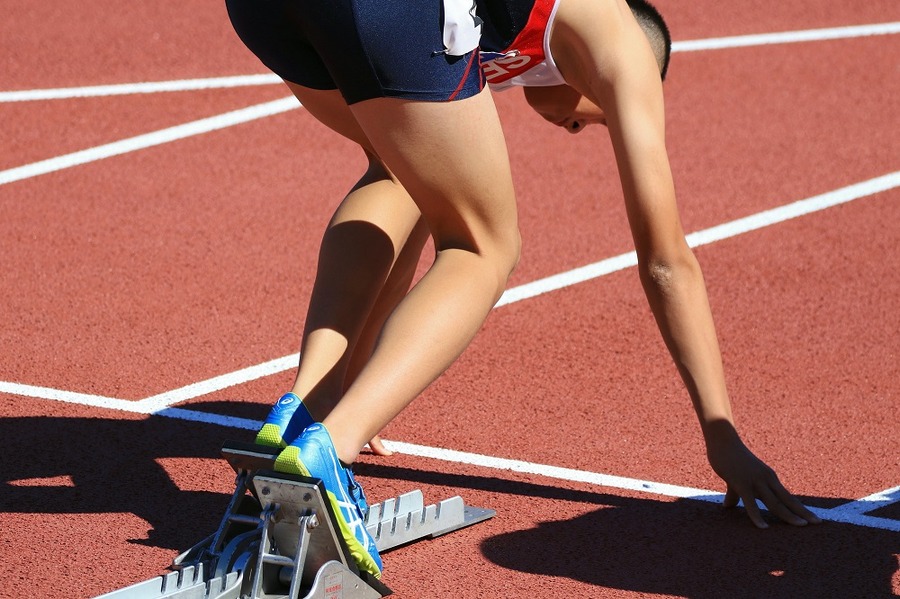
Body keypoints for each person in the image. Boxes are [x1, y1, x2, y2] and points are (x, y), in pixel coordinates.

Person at [230, 0, 820, 580]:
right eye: (593, 120)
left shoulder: (515, 32)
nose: (575, 128)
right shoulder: (621, 37)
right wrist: (722, 433)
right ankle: (331, 448)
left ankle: (305, 411)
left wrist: (363, 379)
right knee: (484, 245)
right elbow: (666, 260)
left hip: (270, 11)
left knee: (396, 167)